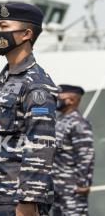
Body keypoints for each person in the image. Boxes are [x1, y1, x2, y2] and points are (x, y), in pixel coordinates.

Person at [0, 3, 57, 216]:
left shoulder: (36, 84)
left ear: (26, 34)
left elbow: (40, 144)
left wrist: (29, 201)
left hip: (18, 201)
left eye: (3, 26)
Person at [53, 85, 94, 216]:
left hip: (73, 188)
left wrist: (83, 183)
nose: (55, 100)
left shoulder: (78, 122)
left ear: (71, 100)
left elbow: (85, 154)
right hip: (57, 187)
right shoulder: (60, 121)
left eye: (59, 97)